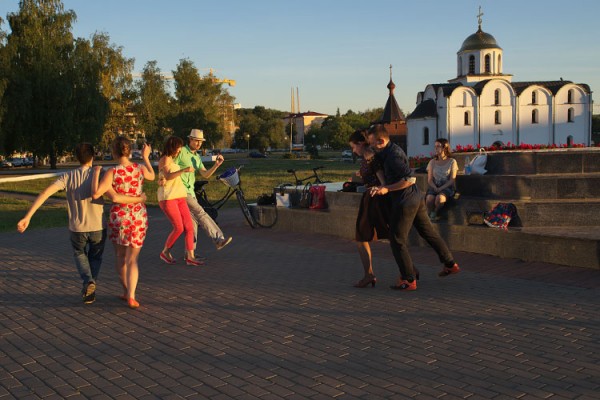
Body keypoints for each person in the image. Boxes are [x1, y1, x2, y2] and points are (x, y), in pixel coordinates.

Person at [17, 143, 145, 304]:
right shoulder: (101, 173)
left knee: (79, 254)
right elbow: (117, 194)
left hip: (76, 227)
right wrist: (139, 199)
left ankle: (88, 281)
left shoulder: (67, 176)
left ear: (77, 157)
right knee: (96, 257)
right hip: (98, 226)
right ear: (93, 156)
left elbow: (45, 193)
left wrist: (28, 216)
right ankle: (91, 283)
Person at [367, 125, 460, 291]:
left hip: (406, 200)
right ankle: (450, 263)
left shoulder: (393, 156)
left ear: (381, 141)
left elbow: (409, 179)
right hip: (415, 197)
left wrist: (386, 188)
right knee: (428, 232)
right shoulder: (386, 151)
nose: (372, 147)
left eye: (373, 144)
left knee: (396, 239)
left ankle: (408, 279)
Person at [92, 136, 155, 309]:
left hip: (119, 217)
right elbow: (152, 176)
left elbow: (98, 193)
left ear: (114, 151)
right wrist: (146, 157)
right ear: (129, 151)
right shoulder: (140, 168)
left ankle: (126, 291)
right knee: (133, 260)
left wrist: (97, 175)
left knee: (120, 257)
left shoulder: (112, 172)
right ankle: (132, 296)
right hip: (138, 217)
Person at [174, 129, 232, 252]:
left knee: (193, 224)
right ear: (190, 140)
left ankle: (190, 254)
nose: (199, 144)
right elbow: (169, 167)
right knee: (201, 213)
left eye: (200, 142)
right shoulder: (181, 151)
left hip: (191, 192)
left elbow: (205, 174)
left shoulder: (196, 157)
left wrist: (216, 165)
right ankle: (218, 239)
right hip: (181, 191)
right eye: (196, 141)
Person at [348, 130, 389, 288]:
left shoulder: (369, 155)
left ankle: (369, 274)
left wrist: (380, 188)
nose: (353, 150)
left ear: (360, 144)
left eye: (353, 147)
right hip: (372, 197)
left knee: (361, 237)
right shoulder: (368, 156)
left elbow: (381, 178)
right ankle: (410, 269)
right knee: (389, 235)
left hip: (374, 199)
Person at [157, 136, 204, 266]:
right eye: (178, 148)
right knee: (179, 227)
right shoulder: (165, 159)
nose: (179, 151)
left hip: (180, 195)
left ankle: (191, 256)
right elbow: (167, 175)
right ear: (172, 147)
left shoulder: (173, 159)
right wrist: (183, 170)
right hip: (168, 197)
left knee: (189, 226)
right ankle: (165, 252)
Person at [426, 138, 458, 222]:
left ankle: (435, 212)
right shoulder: (432, 162)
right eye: (435, 146)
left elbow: (452, 180)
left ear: (444, 148)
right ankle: (429, 214)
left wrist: (441, 188)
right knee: (429, 199)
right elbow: (429, 179)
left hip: (446, 187)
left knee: (439, 199)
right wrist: (435, 187)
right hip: (434, 186)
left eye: (438, 146)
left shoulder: (452, 161)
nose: (435, 148)